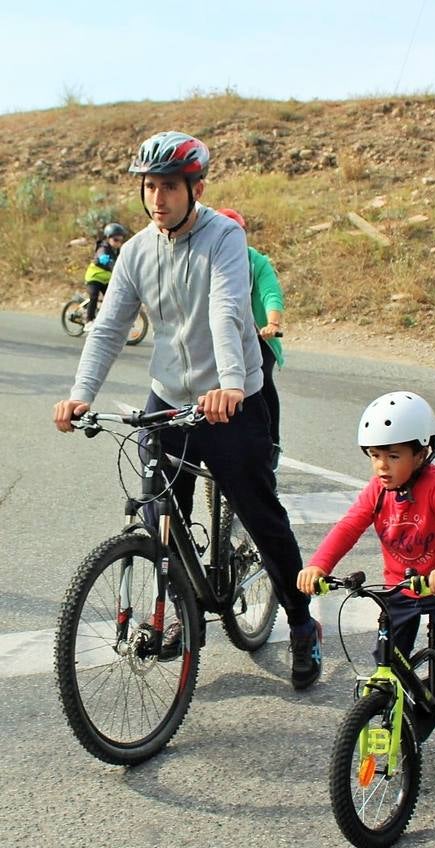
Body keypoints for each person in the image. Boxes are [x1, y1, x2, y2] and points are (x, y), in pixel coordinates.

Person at [53, 130, 321, 691]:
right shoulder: (135, 252)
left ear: (194, 187)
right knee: (156, 508)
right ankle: (179, 602)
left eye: (170, 186)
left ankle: (300, 623)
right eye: (150, 187)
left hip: (232, 398)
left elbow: (226, 309)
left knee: (260, 511)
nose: (158, 199)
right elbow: (108, 328)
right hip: (171, 396)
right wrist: (82, 394)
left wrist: (228, 385)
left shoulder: (223, 236)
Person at [297, 391, 435, 803]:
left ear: (421, 452)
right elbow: (349, 526)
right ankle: (397, 718)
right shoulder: (377, 492)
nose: (381, 466)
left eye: (393, 456)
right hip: (400, 590)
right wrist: (318, 566)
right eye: (374, 455)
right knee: (385, 667)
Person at [216, 208, 285, 471]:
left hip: (257, 336)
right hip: (219, 337)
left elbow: (271, 294)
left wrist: (272, 323)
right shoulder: (208, 260)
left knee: (261, 378)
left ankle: (272, 443)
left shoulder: (256, 262)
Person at [83, 222, 127, 330]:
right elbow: (104, 259)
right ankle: (89, 320)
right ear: (108, 238)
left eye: (120, 240)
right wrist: (113, 266)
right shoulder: (102, 248)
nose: (118, 243)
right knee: (94, 296)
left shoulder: (118, 250)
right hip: (94, 278)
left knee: (111, 297)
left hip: (106, 279)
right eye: (116, 240)